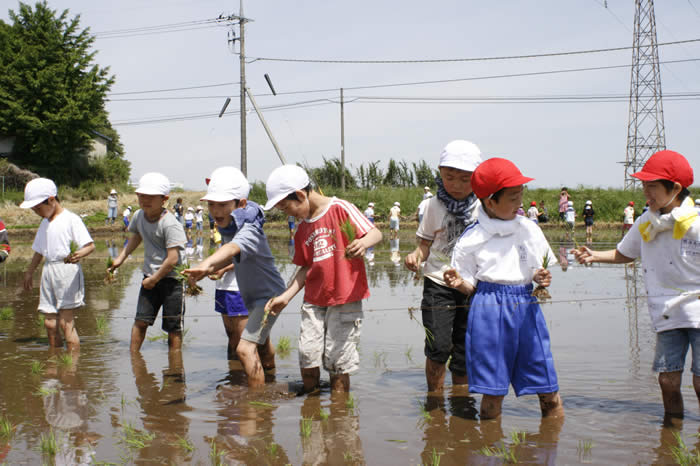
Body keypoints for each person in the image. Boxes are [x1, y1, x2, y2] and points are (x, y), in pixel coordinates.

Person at [573, 150, 698, 421]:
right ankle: (671, 437)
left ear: (675, 188)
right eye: (643, 186)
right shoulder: (646, 222)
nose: (646, 193)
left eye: (651, 187)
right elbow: (625, 253)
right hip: (667, 313)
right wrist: (594, 255)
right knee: (667, 381)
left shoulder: (697, 224)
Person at [443, 157, 563, 420]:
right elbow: (469, 287)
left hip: (526, 306)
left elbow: (537, 269)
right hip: (488, 307)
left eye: (520, 194)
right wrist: (457, 282)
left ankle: (551, 449)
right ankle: (488, 452)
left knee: (548, 387)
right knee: (492, 392)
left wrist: (541, 278)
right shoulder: (471, 239)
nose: (519, 202)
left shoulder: (529, 229)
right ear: (490, 202)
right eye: (512, 197)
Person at [262, 164, 382, 393]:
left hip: (344, 298)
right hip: (314, 302)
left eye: (287, 208)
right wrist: (285, 297)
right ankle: (311, 409)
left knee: (338, 361)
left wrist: (363, 243)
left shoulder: (340, 208)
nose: (289, 215)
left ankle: (340, 417)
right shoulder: (302, 229)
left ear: (299, 194)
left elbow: (375, 233)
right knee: (307, 356)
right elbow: (305, 269)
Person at [183, 166, 286, 387]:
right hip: (256, 295)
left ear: (240, 204)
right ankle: (271, 380)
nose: (215, 211)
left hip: (267, 297)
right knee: (261, 344)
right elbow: (229, 252)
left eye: (222, 205)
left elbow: (231, 250)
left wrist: (206, 264)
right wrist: (206, 270)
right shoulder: (232, 226)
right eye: (211, 204)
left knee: (244, 349)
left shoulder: (250, 229)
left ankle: (257, 402)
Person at [404, 139, 482, 392]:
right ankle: (434, 404)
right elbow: (425, 243)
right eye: (450, 177)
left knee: (465, 348)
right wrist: (417, 255)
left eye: (465, 178)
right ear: (440, 173)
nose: (457, 185)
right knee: (438, 346)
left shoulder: (485, 206)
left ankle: (461, 402)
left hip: (472, 284)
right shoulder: (432, 205)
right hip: (438, 282)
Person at [108, 172, 187, 352]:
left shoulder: (170, 224)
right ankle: (134, 357)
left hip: (172, 280)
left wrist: (154, 279)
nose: (145, 200)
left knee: (173, 327)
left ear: (164, 199)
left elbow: (173, 259)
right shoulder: (138, 216)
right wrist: (120, 259)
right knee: (141, 321)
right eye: (142, 196)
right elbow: (136, 237)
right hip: (150, 277)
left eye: (151, 197)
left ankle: (174, 365)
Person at [21, 178, 95, 350]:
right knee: (49, 323)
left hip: (67, 270)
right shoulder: (44, 223)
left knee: (65, 322)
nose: (37, 212)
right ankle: (54, 360)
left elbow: (89, 246)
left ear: (51, 200)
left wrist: (78, 255)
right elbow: (39, 251)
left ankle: (71, 368)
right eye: (34, 209)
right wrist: (29, 272)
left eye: (38, 208)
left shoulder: (71, 219)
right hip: (49, 270)